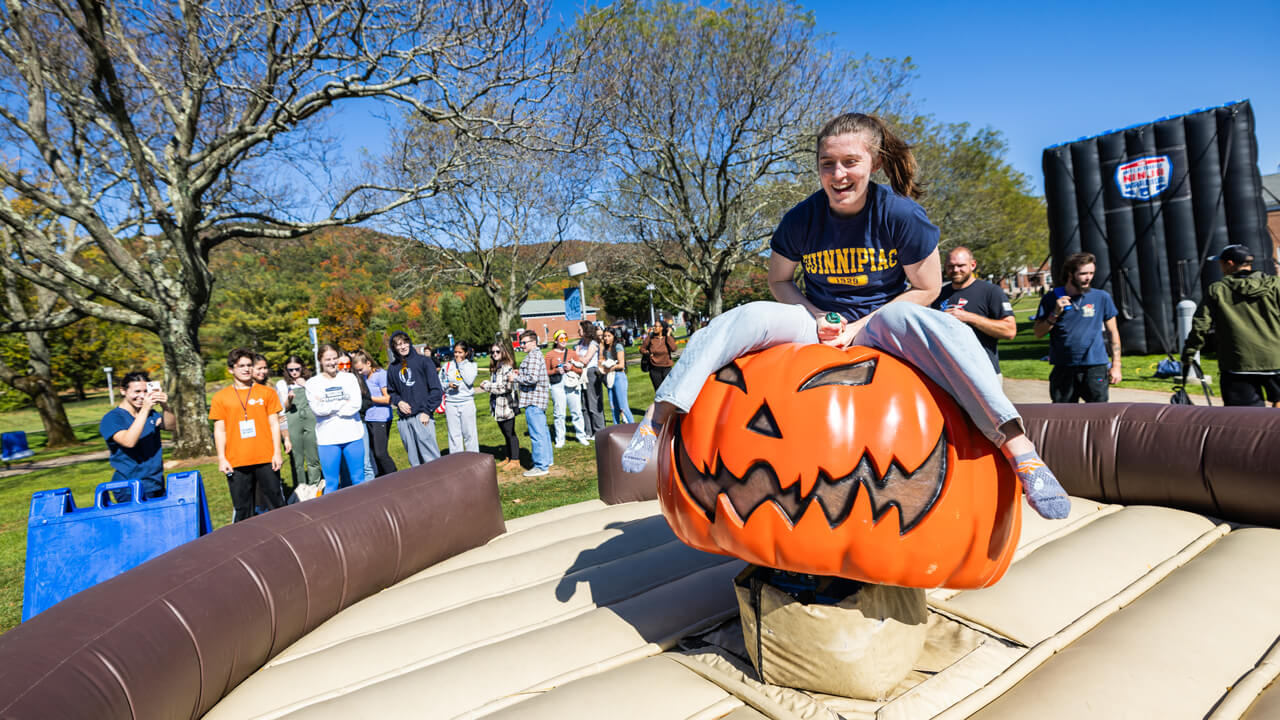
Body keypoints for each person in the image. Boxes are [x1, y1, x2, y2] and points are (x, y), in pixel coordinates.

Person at [621, 112, 1069, 520]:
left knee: (942, 325)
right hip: (814, 318)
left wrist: (857, 327)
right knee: (742, 317)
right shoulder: (801, 220)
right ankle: (658, 420)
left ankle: (1020, 448)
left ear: (872, 162)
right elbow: (780, 281)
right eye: (827, 164)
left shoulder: (900, 214)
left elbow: (928, 288)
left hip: (881, 320)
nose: (838, 175)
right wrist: (816, 317)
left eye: (850, 162)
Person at [1182, 244, 1280, 407]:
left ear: (1229, 263)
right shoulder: (1275, 285)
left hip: (1237, 363)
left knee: (1246, 419)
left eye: (1220, 263)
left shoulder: (1218, 290)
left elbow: (1201, 325)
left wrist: (1189, 354)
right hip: (1276, 360)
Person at [1032, 252, 1122, 403]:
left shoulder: (1101, 297)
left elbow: (1113, 333)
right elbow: (1038, 333)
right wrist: (1054, 314)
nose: (1088, 277)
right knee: (1064, 418)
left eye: (1091, 273)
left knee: (1098, 417)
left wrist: (1116, 365)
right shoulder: (1051, 299)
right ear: (1070, 274)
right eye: (1083, 273)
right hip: (1064, 367)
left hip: (1095, 367)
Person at [210, 348, 285, 522]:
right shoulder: (220, 397)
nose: (246, 369)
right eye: (241, 366)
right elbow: (219, 430)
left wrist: (277, 452)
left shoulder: (267, 393)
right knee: (243, 508)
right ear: (231, 369)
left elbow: (274, 424)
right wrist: (222, 458)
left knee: (276, 503)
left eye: (249, 365)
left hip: (266, 457)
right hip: (237, 460)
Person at [932, 246, 1017, 375]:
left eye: (961, 265)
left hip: (983, 373)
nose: (955, 270)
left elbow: (1009, 331)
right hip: (948, 373)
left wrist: (968, 317)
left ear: (973, 265)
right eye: (950, 266)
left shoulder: (991, 292)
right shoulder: (937, 294)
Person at [99, 371, 175, 502]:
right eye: (137, 391)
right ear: (123, 391)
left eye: (146, 391)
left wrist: (165, 406)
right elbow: (129, 442)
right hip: (129, 487)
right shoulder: (112, 418)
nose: (142, 396)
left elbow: (171, 426)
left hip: (156, 483)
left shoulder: (150, 413)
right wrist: (145, 410)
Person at [307, 344, 366, 494]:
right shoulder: (312, 383)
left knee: (358, 480)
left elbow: (355, 405)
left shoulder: (349, 378)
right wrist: (341, 403)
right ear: (320, 360)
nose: (332, 362)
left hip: (352, 436)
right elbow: (318, 410)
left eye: (335, 358)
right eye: (328, 359)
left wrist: (327, 405)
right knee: (332, 483)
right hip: (328, 440)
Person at [386, 330, 444, 466]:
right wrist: (399, 402)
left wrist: (427, 411)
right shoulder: (392, 368)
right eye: (398, 344)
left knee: (431, 459)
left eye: (405, 342)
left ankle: (439, 485)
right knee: (414, 462)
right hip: (404, 421)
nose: (403, 346)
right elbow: (391, 392)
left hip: (422, 416)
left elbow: (436, 390)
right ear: (394, 348)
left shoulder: (424, 361)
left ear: (409, 343)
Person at [277, 355, 323, 489]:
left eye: (296, 369)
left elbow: (319, 399)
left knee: (312, 455)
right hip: (292, 420)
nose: (294, 373)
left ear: (302, 367)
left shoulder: (311, 381)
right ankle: (300, 487)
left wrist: (306, 385)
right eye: (290, 370)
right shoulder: (283, 384)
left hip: (310, 419)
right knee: (297, 458)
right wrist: (289, 399)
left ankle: (315, 485)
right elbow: (283, 408)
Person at [352, 349, 398, 475]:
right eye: (357, 370)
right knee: (372, 453)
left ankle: (394, 476)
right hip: (368, 419)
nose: (359, 373)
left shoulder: (381, 375)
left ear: (368, 363)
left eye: (360, 369)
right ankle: (382, 478)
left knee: (380, 453)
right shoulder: (364, 377)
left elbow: (388, 398)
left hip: (381, 418)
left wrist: (368, 399)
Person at [516, 330, 552, 477]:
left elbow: (532, 378)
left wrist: (515, 378)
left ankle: (540, 466)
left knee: (537, 434)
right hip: (538, 400)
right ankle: (547, 461)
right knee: (543, 433)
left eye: (524, 343)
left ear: (533, 342)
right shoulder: (536, 355)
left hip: (533, 400)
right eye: (521, 343)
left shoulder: (533, 356)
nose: (522, 345)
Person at [480, 342, 521, 468]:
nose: (495, 354)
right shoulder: (496, 368)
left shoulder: (507, 367)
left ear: (503, 352)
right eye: (492, 352)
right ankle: (508, 457)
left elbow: (506, 387)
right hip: (497, 406)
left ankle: (515, 460)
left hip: (507, 406)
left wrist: (487, 386)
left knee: (510, 433)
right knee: (505, 433)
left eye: (497, 351)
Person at [441, 341, 480, 453]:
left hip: (466, 402)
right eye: (455, 352)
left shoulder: (471, 365)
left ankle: (473, 458)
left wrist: (461, 364)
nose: (457, 355)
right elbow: (440, 383)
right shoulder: (447, 366)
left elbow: (469, 380)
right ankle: (457, 460)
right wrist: (448, 385)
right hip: (451, 403)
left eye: (460, 352)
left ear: (466, 353)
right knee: (454, 435)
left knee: (469, 433)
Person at [575, 320, 606, 435]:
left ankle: (599, 430)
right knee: (584, 404)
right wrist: (577, 358)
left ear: (586, 330)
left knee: (593, 402)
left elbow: (586, 360)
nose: (578, 331)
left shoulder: (593, 343)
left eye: (580, 329)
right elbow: (576, 356)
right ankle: (589, 431)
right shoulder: (581, 342)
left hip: (591, 373)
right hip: (581, 374)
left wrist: (577, 358)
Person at [600, 326, 635, 424]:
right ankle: (617, 428)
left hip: (619, 377)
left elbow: (621, 364)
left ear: (613, 336)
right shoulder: (605, 348)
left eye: (609, 336)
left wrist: (609, 368)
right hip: (610, 378)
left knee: (623, 406)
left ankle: (633, 428)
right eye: (605, 336)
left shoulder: (618, 346)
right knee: (613, 407)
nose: (606, 338)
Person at [639, 321, 677, 390]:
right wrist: (647, 353)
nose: (654, 328)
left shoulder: (667, 338)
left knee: (669, 390)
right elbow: (642, 349)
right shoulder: (650, 338)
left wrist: (668, 335)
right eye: (654, 326)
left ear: (662, 328)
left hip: (667, 368)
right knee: (659, 391)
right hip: (654, 369)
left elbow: (674, 348)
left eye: (656, 326)